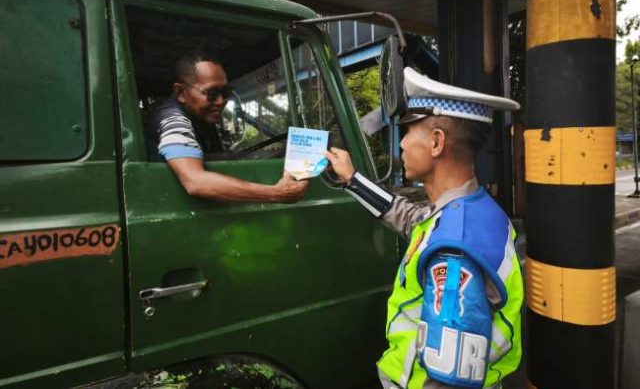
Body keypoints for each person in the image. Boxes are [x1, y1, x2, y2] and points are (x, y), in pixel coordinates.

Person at [323, 68, 523, 389]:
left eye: (408, 130)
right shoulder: (471, 210)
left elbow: (447, 379)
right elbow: (411, 219)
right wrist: (352, 180)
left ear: (436, 142)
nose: (402, 143)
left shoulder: (454, 251)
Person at [147, 52, 308, 202]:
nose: (220, 101)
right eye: (211, 93)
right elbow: (195, 181)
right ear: (181, 92)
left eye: (225, 92)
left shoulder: (198, 118)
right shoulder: (172, 119)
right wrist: (277, 193)